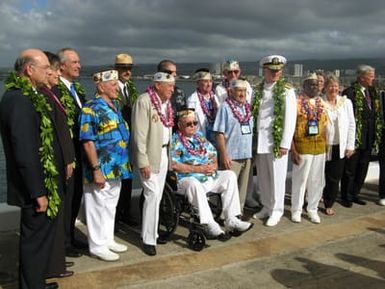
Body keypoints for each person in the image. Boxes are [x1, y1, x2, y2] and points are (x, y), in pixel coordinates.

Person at [0, 48, 61, 289]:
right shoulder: (19, 99)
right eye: (46, 67)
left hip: (40, 184)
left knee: (38, 242)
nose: (50, 71)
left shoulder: (29, 96)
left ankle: (35, 282)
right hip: (34, 189)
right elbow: (24, 151)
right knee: (33, 242)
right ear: (29, 69)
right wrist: (38, 192)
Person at [170, 109, 253, 238]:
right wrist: (198, 169)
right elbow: (174, 165)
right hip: (187, 179)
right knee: (193, 183)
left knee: (229, 176)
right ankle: (210, 223)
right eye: (189, 124)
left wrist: (214, 165)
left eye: (195, 123)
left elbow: (213, 153)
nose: (193, 126)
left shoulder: (199, 136)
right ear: (180, 125)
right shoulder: (175, 141)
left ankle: (231, 219)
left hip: (208, 176)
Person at [79, 69, 131, 262]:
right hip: (100, 167)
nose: (117, 87)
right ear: (101, 86)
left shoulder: (115, 105)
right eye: (113, 84)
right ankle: (97, 245)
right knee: (96, 206)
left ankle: (107, 239)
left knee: (110, 205)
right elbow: (88, 141)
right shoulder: (90, 108)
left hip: (117, 167)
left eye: (117, 83)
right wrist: (95, 169)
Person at [131, 72, 175, 256]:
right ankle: (148, 239)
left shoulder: (167, 104)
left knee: (157, 196)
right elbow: (139, 135)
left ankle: (153, 232)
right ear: (158, 85)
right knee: (152, 193)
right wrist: (143, 162)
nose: (173, 89)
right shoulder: (144, 101)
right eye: (169, 86)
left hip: (163, 153)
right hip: (149, 156)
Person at [41, 51, 75, 279]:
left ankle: (56, 262)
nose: (53, 74)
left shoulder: (52, 93)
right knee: (52, 218)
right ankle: (52, 265)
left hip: (64, 163)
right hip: (54, 166)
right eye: (50, 70)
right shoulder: (43, 95)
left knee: (61, 215)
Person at [252, 55, 297, 227]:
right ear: (264, 70)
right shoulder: (258, 89)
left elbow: (290, 118)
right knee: (263, 176)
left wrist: (285, 143)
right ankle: (266, 206)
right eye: (272, 70)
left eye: (278, 70)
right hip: (261, 141)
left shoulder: (286, 90)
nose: (275, 73)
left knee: (277, 178)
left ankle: (277, 211)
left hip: (276, 142)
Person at [54, 47, 87, 257]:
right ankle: (64, 242)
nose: (79, 66)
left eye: (79, 62)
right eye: (74, 62)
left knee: (76, 196)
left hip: (79, 153)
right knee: (67, 199)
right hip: (68, 154)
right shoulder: (58, 91)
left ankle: (71, 237)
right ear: (62, 66)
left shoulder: (77, 91)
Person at [341, 65, 382, 207]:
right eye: (371, 76)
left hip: (369, 137)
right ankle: (346, 196)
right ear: (362, 77)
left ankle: (355, 193)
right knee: (351, 168)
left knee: (363, 167)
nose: (373, 79)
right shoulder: (350, 92)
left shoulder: (371, 92)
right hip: (356, 137)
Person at [291, 73, 328, 224]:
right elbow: (290, 129)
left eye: (317, 84)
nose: (315, 87)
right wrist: (293, 149)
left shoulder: (322, 103)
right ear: (304, 86)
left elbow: (326, 127)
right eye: (311, 84)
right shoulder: (297, 103)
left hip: (319, 147)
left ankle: (312, 209)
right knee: (300, 180)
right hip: (302, 147)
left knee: (316, 180)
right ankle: (296, 210)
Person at [213, 79, 253, 211]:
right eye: (239, 91)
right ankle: (225, 215)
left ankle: (238, 213)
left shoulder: (247, 107)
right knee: (229, 188)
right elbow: (219, 133)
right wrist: (224, 155)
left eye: (244, 91)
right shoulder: (225, 107)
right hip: (232, 156)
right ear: (231, 91)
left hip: (246, 155)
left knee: (242, 187)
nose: (242, 94)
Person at [322, 74, 355, 216]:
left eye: (335, 86)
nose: (333, 89)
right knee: (318, 176)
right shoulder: (319, 102)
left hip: (339, 146)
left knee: (334, 177)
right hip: (322, 146)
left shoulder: (345, 103)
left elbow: (351, 124)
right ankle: (312, 200)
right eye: (330, 86)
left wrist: (350, 145)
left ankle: (329, 203)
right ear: (325, 88)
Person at [114, 53, 139, 225]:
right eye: (123, 68)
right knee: (117, 181)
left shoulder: (129, 88)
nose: (127, 71)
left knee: (128, 178)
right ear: (116, 69)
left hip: (129, 140)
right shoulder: (111, 87)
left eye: (129, 68)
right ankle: (116, 216)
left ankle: (125, 211)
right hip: (117, 142)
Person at [187, 68, 219, 146]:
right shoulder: (192, 100)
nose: (209, 84)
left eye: (210, 81)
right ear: (198, 83)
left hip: (216, 137)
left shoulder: (215, 97)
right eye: (205, 81)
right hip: (201, 138)